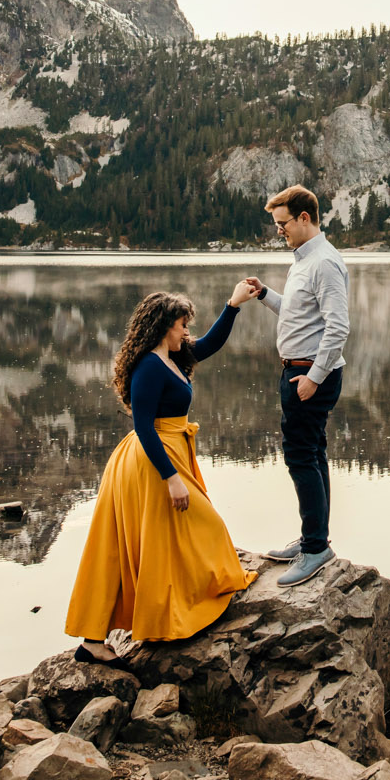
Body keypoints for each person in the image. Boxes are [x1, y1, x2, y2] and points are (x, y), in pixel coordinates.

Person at [65, 282, 261, 658]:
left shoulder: (173, 356)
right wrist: (170, 478)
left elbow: (209, 344)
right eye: (182, 326)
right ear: (162, 327)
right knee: (169, 533)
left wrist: (233, 305)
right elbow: (142, 426)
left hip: (171, 451)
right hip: (151, 461)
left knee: (167, 539)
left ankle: (161, 610)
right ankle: (96, 640)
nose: (187, 333)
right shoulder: (149, 367)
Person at [249, 184, 350, 587]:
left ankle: (314, 550)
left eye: (283, 224)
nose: (279, 231)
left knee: (300, 456)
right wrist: (264, 295)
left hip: (309, 375)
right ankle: (314, 539)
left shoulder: (324, 262)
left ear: (304, 218)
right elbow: (298, 313)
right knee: (312, 453)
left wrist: (313, 378)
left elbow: (338, 327)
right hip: (300, 370)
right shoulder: (303, 261)